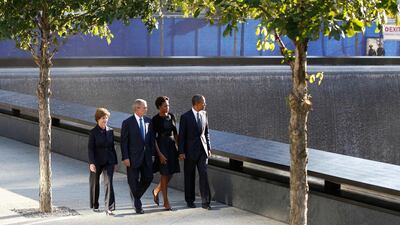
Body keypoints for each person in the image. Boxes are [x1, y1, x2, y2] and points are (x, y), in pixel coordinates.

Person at [120, 99, 154, 214]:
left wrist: (152, 153)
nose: (146, 109)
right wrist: (125, 157)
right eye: (144, 107)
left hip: (147, 157)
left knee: (148, 178)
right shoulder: (127, 122)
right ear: (137, 108)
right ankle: (138, 206)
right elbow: (123, 142)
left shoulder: (149, 121)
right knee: (133, 181)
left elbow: (151, 140)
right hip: (132, 158)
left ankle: (136, 197)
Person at [178, 94, 212, 210]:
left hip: (202, 151)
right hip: (189, 152)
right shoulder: (185, 117)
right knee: (189, 176)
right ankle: (190, 200)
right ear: (197, 104)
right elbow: (181, 136)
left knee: (204, 175)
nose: (205, 104)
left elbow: (206, 132)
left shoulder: (204, 114)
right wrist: (181, 152)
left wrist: (208, 148)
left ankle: (206, 202)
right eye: (204, 102)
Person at [152, 96, 180, 211]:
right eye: (165, 106)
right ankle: (166, 201)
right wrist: (159, 154)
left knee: (171, 172)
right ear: (159, 107)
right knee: (164, 173)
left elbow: (176, 133)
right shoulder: (155, 119)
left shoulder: (172, 116)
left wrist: (180, 149)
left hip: (172, 146)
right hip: (162, 146)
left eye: (168, 105)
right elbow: (153, 139)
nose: (167, 107)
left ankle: (157, 189)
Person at [88, 108, 118, 216]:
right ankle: (95, 204)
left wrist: (115, 162)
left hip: (109, 160)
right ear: (97, 119)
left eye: (106, 118)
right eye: (103, 118)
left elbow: (112, 147)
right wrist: (91, 163)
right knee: (95, 183)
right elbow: (90, 148)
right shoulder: (93, 132)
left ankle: (109, 207)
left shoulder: (110, 131)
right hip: (96, 161)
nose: (105, 120)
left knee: (109, 183)